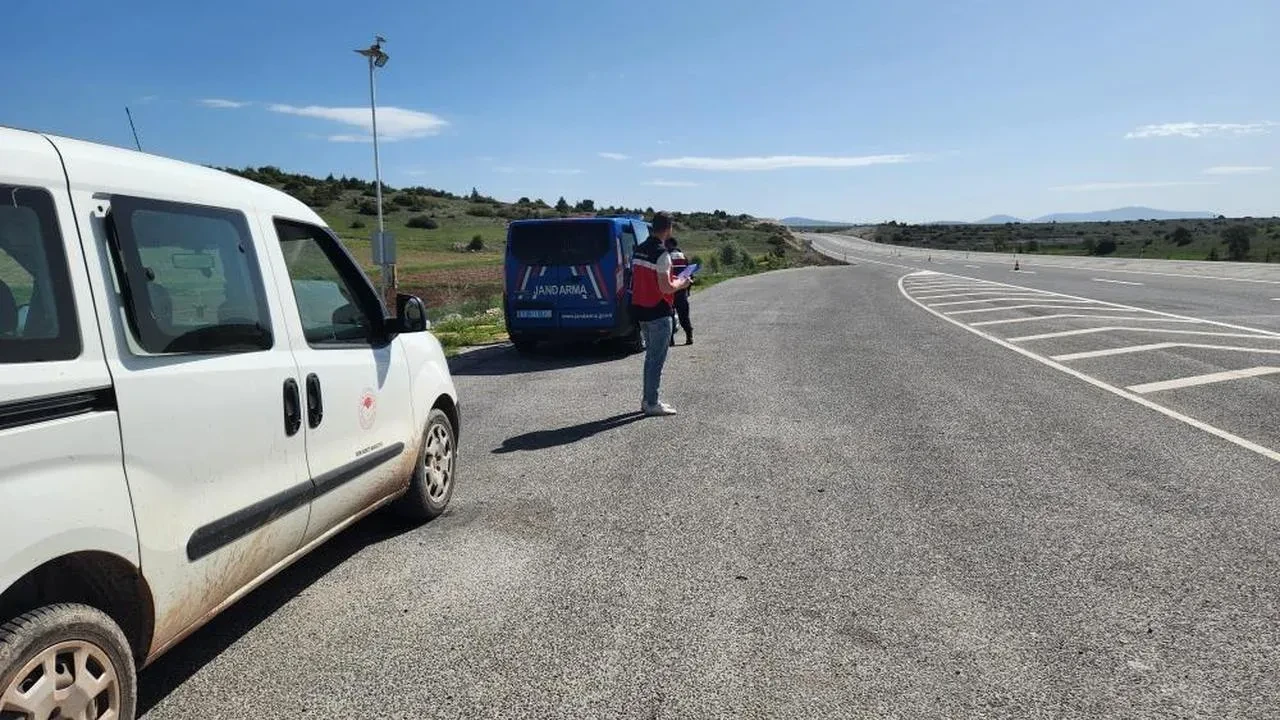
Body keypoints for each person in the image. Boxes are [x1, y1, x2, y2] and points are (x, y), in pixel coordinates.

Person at [629, 211, 691, 416]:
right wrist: (682, 283)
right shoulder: (661, 254)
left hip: (641, 311)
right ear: (669, 228)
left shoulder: (639, 250)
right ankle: (652, 402)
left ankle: (647, 399)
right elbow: (666, 287)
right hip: (658, 311)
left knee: (650, 359)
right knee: (656, 360)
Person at [665, 236, 693, 346]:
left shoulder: (666, 256)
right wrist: (687, 290)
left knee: (669, 316)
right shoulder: (683, 256)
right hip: (681, 291)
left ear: (668, 245)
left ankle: (670, 340)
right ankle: (689, 336)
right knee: (684, 316)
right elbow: (689, 274)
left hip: (669, 290)